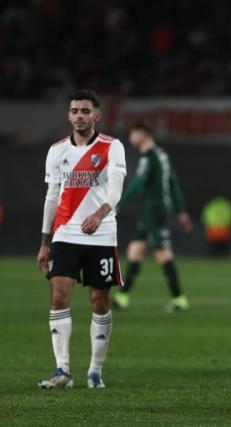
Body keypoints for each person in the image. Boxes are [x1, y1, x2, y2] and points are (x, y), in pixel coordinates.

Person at [36, 90, 127, 389]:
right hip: (65, 233)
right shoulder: (57, 150)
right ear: (68, 115)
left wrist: (99, 214)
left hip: (101, 234)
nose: (79, 115)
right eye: (74, 110)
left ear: (96, 116)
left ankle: (95, 370)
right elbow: (52, 196)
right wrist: (45, 241)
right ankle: (62, 371)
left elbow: (115, 190)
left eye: (85, 111)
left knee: (99, 301)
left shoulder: (112, 147)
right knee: (59, 296)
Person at [111, 123, 192, 312]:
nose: (131, 139)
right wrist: (181, 211)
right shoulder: (162, 156)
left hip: (153, 211)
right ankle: (123, 296)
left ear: (143, 134)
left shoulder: (149, 157)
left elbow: (138, 182)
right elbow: (173, 183)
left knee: (162, 253)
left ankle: (179, 298)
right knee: (135, 250)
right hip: (156, 210)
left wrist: (119, 204)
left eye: (133, 134)